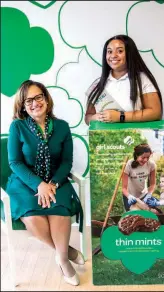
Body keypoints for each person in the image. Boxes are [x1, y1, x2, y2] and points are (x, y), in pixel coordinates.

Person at [6, 80, 84, 286]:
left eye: (38, 97)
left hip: (56, 180)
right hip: (25, 182)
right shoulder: (17, 127)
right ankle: (65, 252)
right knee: (34, 219)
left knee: (59, 210)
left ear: (46, 98)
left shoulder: (62, 127)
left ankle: (62, 259)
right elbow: (14, 162)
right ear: (22, 105)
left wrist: (53, 184)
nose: (34, 103)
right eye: (28, 100)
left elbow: (67, 162)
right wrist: (39, 185)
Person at [85, 35, 162, 125]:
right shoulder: (98, 84)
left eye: (120, 51)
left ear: (129, 53)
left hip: (135, 137)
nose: (113, 55)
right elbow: (88, 117)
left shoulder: (142, 79)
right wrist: (94, 117)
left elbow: (155, 112)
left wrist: (120, 116)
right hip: (104, 138)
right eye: (109, 51)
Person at [122, 143, 157, 211]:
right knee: (134, 215)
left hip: (144, 195)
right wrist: (129, 196)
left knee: (154, 213)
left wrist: (149, 194)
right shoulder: (128, 165)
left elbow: (152, 184)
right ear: (137, 155)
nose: (145, 160)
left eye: (148, 157)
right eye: (143, 157)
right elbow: (123, 188)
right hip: (130, 196)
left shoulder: (151, 165)